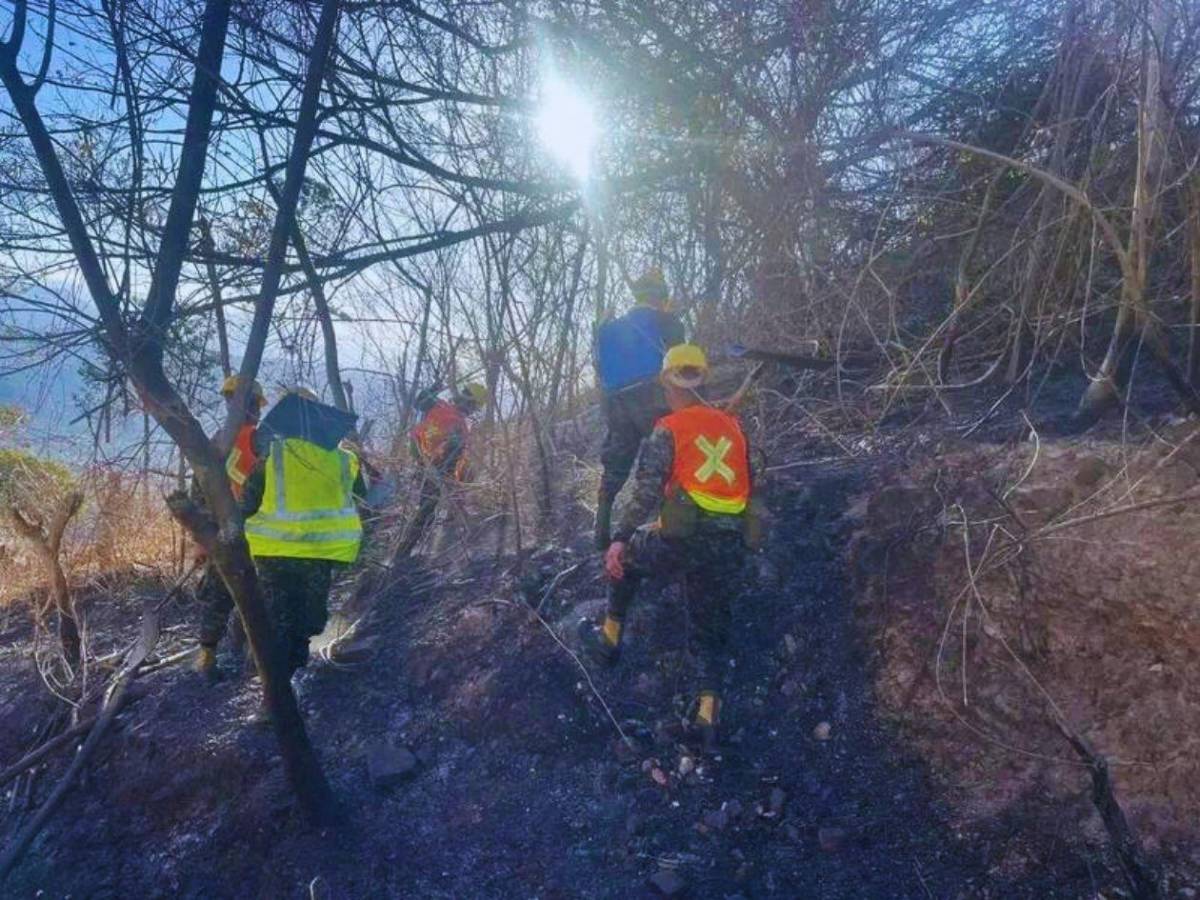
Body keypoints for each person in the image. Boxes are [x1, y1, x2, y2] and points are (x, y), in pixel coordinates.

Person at [580, 344, 761, 752]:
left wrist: (619, 538)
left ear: (668, 383)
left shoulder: (670, 427)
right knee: (709, 624)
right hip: (731, 543)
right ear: (703, 380)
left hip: (683, 539)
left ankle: (609, 638)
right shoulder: (734, 428)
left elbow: (645, 491)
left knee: (627, 557)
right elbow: (749, 483)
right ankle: (707, 716)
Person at [242, 388, 366, 685]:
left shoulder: (271, 458)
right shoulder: (346, 460)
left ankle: (274, 673)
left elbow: (246, 505)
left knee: (282, 618)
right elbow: (362, 498)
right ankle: (281, 680)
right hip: (316, 554)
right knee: (304, 621)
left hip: (274, 553)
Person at [593, 267, 685, 550]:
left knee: (616, 464)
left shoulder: (607, 328)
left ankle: (601, 532)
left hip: (615, 401)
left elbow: (600, 368)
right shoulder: (667, 321)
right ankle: (668, 525)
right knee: (667, 457)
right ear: (661, 296)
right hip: (653, 394)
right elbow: (681, 362)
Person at [193, 374, 266, 682]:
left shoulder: (215, 442)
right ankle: (256, 660)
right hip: (261, 534)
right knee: (261, 596)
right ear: (253, 405)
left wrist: (202, 540)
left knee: (218, 598)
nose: (258, 410)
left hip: (222, 533)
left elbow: (198, 495)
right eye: (257, 404)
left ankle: (206, 659)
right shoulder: (265, 441)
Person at [397, 382, 488, 556]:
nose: (472, 410)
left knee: (427, 511)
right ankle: (403, 552)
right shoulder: (444, 410)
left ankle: (417, 548)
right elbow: (419, 402)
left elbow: (455, 457)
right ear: (469, 402)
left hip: (430, 466)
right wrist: (433, 388)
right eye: (473, 406)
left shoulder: (449, 415)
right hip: (430, 465)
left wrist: (451, 479)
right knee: (426, 510)